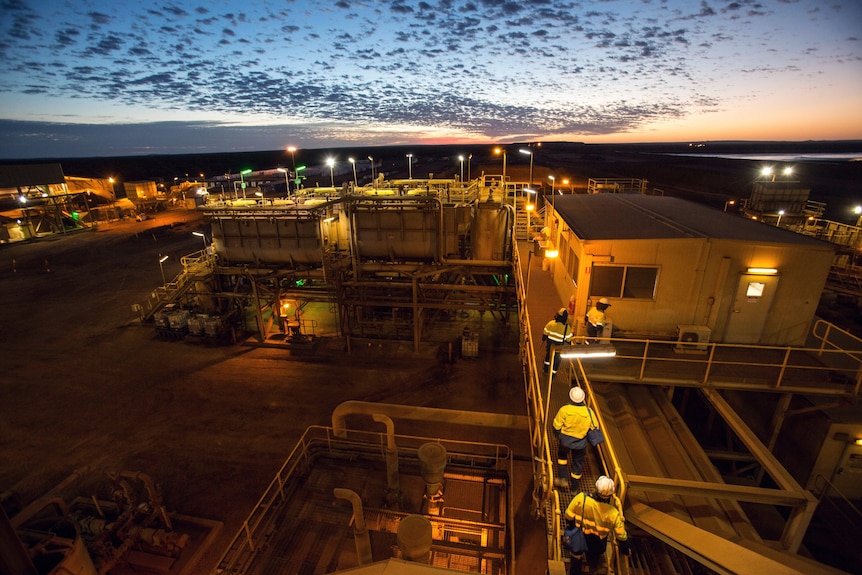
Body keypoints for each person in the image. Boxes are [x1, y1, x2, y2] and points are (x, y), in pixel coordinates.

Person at [565, 475, 630, 574]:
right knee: (593, 561)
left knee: (576, 558)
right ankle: (592, 569)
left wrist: (572, 526)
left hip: (579, 537)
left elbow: (568, 515)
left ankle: (575, 571)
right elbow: (621, 535)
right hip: (597, 544)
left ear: (596, 488)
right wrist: (625, 549)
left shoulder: (582, 498)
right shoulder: (613, 513)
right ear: (611, 494)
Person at [552, 386, 594, 487]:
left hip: (565, 441)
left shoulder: (565, 410)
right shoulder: (589, 412)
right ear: (583, 398)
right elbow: (593, 427)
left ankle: (563, 479)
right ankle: (574, 488)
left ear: (570, 398)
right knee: (578, 463)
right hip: (581, 443)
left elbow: (556, 425)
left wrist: (558, 436)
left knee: (562, 458)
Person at [543, 308, 574, 374]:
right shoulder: (566, 327)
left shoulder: (551, 323)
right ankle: (553, 373)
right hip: (559, 346)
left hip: (550, 343)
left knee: (548, 355)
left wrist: (543, 338)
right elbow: (568, 339)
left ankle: (545, 369)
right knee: (557, 358)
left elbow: (545, 332)